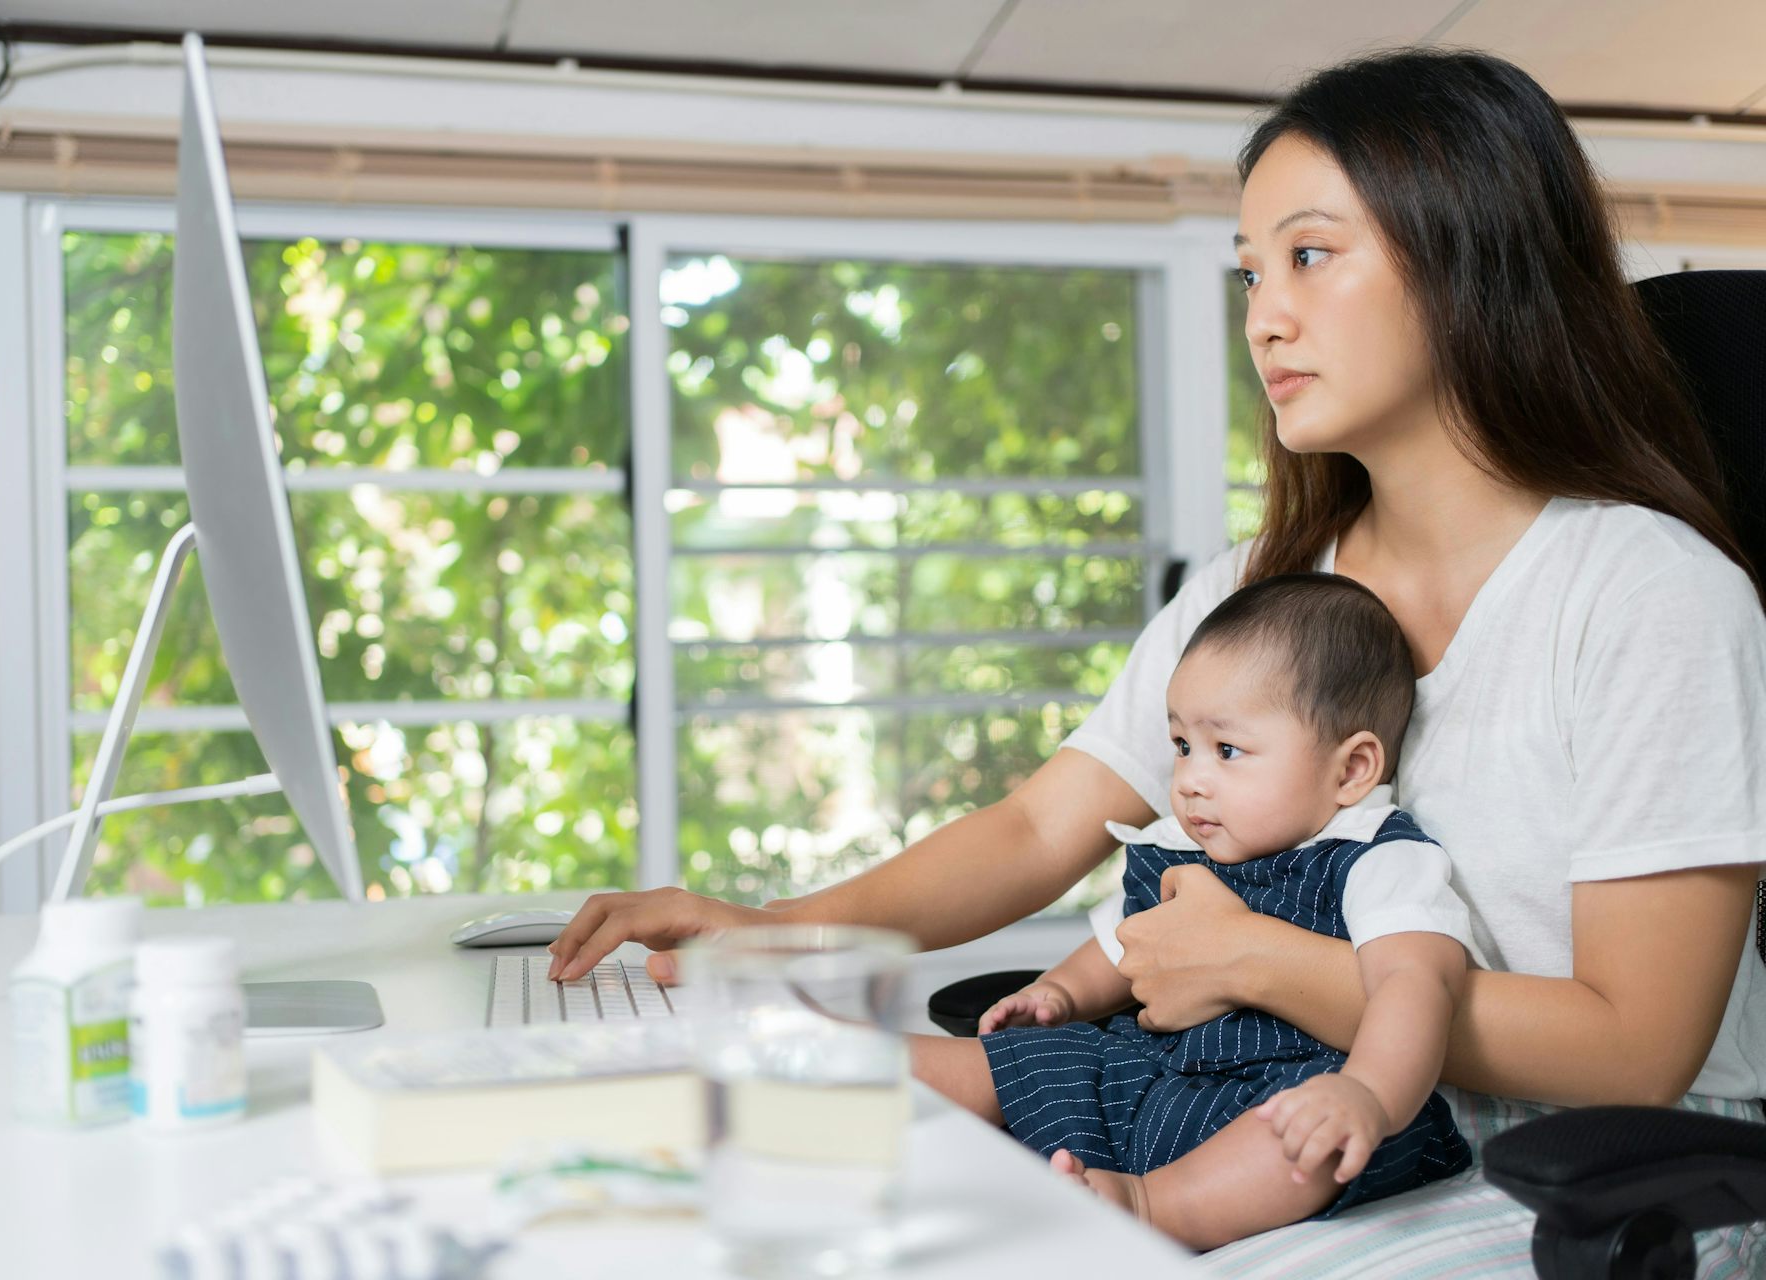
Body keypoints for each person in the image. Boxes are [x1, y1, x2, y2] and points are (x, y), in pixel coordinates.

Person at [549, 45, 1766, 1276]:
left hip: (1594, 1177)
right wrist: (771, 931)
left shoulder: (1647, 593)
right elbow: (1041, 826)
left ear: (1467, 256)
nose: (1264, 317)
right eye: (1249, 274)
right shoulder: (1257, 589)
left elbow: (1635, 1043)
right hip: (1262, 1110)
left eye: (1308, 255)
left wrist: (1254, 960)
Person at [911, 572, 1480, 1251]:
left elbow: (1413, 987)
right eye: (1182, 746)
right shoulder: (1182, 845)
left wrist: (1370, 1094)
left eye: (1227, 750)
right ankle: (837, 1080)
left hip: (1274, 1096)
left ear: (1351, 769)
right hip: (1149, 1080)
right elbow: (1124, 945)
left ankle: (1153, 1207)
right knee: (1023, 1056)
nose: (1189, 778)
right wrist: (1060, 992)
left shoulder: (1376, 857)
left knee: (1307, 1141)